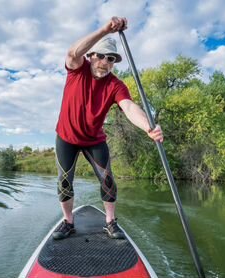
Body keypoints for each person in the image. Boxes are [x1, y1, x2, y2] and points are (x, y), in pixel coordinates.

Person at [53, 16, 163, 240]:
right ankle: (68, 222)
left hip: (94, 140)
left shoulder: (115, 85)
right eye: (100, 56)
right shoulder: (78, 69)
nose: (105, 62)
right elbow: (73, 53)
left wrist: (148, 127)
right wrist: (105, 30)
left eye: (111, 59)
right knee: (64, 181)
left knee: (108, 180)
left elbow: (130, 107)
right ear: (91, 56)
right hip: (67, 137)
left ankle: (110, 222)